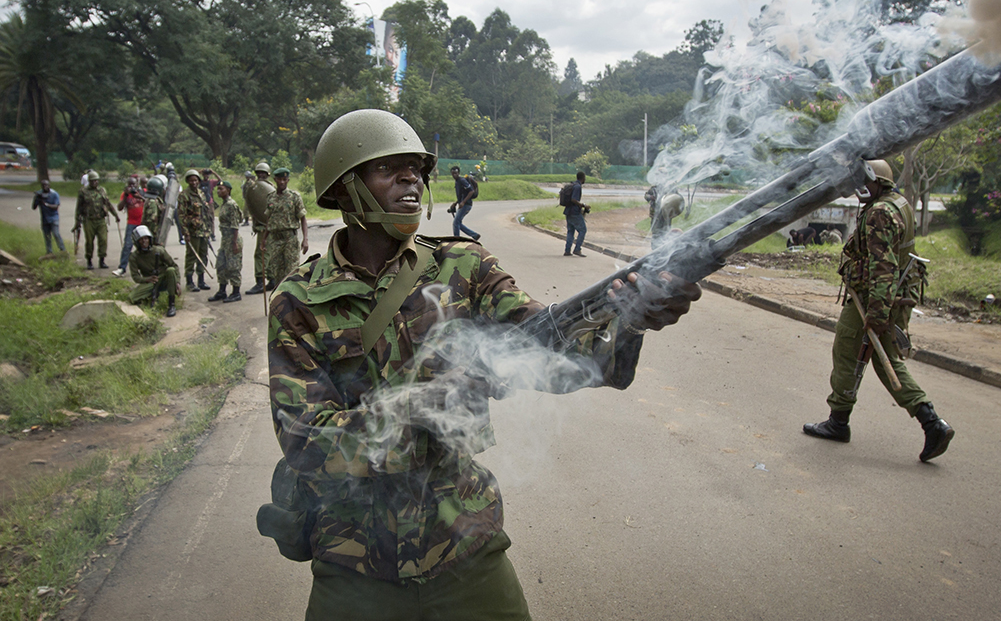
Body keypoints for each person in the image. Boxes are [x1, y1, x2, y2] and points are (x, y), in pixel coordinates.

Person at [265, 109, 701, 619]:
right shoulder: (297, 301)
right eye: (388, 168)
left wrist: (631, 316)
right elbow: (304, 440)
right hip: (353, 564)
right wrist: (426, 404)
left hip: (464, 546)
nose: (411, 179)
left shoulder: (464, 267)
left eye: (416, 169)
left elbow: (559, 351)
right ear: (343, 189)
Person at [802, 159, 955, 462]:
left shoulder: (879, 213)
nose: (859, 189)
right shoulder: (898, 203)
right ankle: (927, 421)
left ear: (877, 181)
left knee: (851, 353)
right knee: (882, 361)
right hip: (893, 297)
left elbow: (883, 266)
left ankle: (844, 423)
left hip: (875, 298)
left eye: (864, 182)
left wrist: (877, 312)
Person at [261, 166, 308, 290]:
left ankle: (294, 300)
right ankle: (280, 300)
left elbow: (302, 218)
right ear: (275, 180)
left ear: (287, 180)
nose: (282, 182)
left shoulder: (294, 197)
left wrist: (305, 239)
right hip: (275, 240)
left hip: (290, 239)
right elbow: (268, 220)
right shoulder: (270, 197)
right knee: (277, 271)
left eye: (284, 179)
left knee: (292, 272)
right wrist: (264, 239)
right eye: (279, 179)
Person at [126, 224, 180, 317]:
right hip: (150, 281)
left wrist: (177, 282)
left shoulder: (159, 250)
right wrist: (147, 279)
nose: (144, 241)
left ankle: (171, 304)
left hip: (164, 278)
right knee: (132, 298)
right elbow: (135, 276)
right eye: (141, 239)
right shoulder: (134, 257)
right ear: (136, 242)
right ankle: (150, 298)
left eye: (146, 238)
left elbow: (174, 266)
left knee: (170, 270)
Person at [74, 170, 120, 270]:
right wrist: (77, 222)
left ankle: (102, 260)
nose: (95, 183)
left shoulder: (102, 190)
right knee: (90, 241)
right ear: (89, 181)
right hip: (89, 220)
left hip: (101, 220)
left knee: (103, 240)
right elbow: (79, 208)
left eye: (96, 181)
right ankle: (89, 260)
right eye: (93, 181)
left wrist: (115, 215)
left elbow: (108, 203)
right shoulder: (83, 191)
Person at [177, 168, 212, 291]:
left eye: (196, 180)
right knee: (192, 256)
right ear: (187, 181)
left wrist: (209, 230)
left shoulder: (201, 193)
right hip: (192, 232)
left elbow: (205, 212)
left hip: (203, 231)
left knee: (203, 255)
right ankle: (190, 282)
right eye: (191, 180)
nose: (194, 183)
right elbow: (181, 216)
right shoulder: (184, 196)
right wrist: (185, 233)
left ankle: (201, 280)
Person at [209, 183, 244, 303]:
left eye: (221, 189)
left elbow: (235, 225)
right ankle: (222, 291)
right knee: (221, 265)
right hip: (225, 240)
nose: (218, 191)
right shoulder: (224, 204)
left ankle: (236, 292)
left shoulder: (231, 205)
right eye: (218, 189)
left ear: (228, 190)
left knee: (233, 266)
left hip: (232, 240)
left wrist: (234, 243)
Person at [245, 162, 272, 295]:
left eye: (263, 173)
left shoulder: (269, 189)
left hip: (265, 227)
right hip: (264, 225)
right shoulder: (253, 187)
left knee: (261, 254)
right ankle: (270, 279)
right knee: (267, 253)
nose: (260, 175)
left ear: (267, 174)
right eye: (259, 173)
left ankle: (260, 282)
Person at [114, 176, 146, 276]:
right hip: (131, 223)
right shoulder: (125, 195)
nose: (132, 187)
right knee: (128, 245)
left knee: (144, 246)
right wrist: (126, 196)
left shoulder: (143, 191)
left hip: (143, 222)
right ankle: (122, 268)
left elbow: (148, 201)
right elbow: (120, 207)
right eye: (130, 185)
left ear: (137, 184)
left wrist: (138, 196)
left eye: (134, 184)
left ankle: (145, 268)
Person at [447, 165, 480, 240]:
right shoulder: (457, 182)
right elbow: (462, 194)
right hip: (463, 204)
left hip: (466, 204)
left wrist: (463, 202)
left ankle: (456, 239)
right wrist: (455, 203)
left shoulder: (462, 180)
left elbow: (471, 191)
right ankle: (474, 235)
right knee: (458, 223)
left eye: (456, 173)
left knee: (456, 223)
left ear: (458, 173)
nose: (454, 175)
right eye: (453, 173)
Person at [32, 179, 66, 255]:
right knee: (47, 236)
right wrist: (36, 198)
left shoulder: (54, 194)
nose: (45, 187)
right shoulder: (40, 194)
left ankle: (62, 249)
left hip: (54, 218)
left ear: (49, 186)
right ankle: (49, 252)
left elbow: (56, 206)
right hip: (45, 219)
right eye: (43, 185)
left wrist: (46, 204)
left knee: (56, 234)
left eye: (46, 185)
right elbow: (34, 207)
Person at [563, 170, 590, 257]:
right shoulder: (577, 187)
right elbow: (574, 199)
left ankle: (567, 250)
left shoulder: (573, 185)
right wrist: (583, 205)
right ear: (583, 178)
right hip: (574, 213)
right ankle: (577, 249)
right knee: (583, 230)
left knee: (570, 231)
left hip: (568, 211)